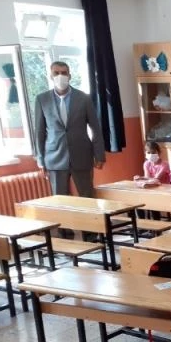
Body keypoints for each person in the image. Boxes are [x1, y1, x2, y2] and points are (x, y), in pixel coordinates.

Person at [34, 61, 105, 239]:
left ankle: (91, 234)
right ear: (51, 76)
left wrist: (99, 154)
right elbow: (39, 132)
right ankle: (65, 234)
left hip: (82, 155)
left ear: (70, 75)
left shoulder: (84, 98)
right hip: (54, 157)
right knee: (60, 199)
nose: (60, 76)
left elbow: (95, 128)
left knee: (87, 196)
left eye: (64, 72)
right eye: (56, 73)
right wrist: (40, 160)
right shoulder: (42, 99)